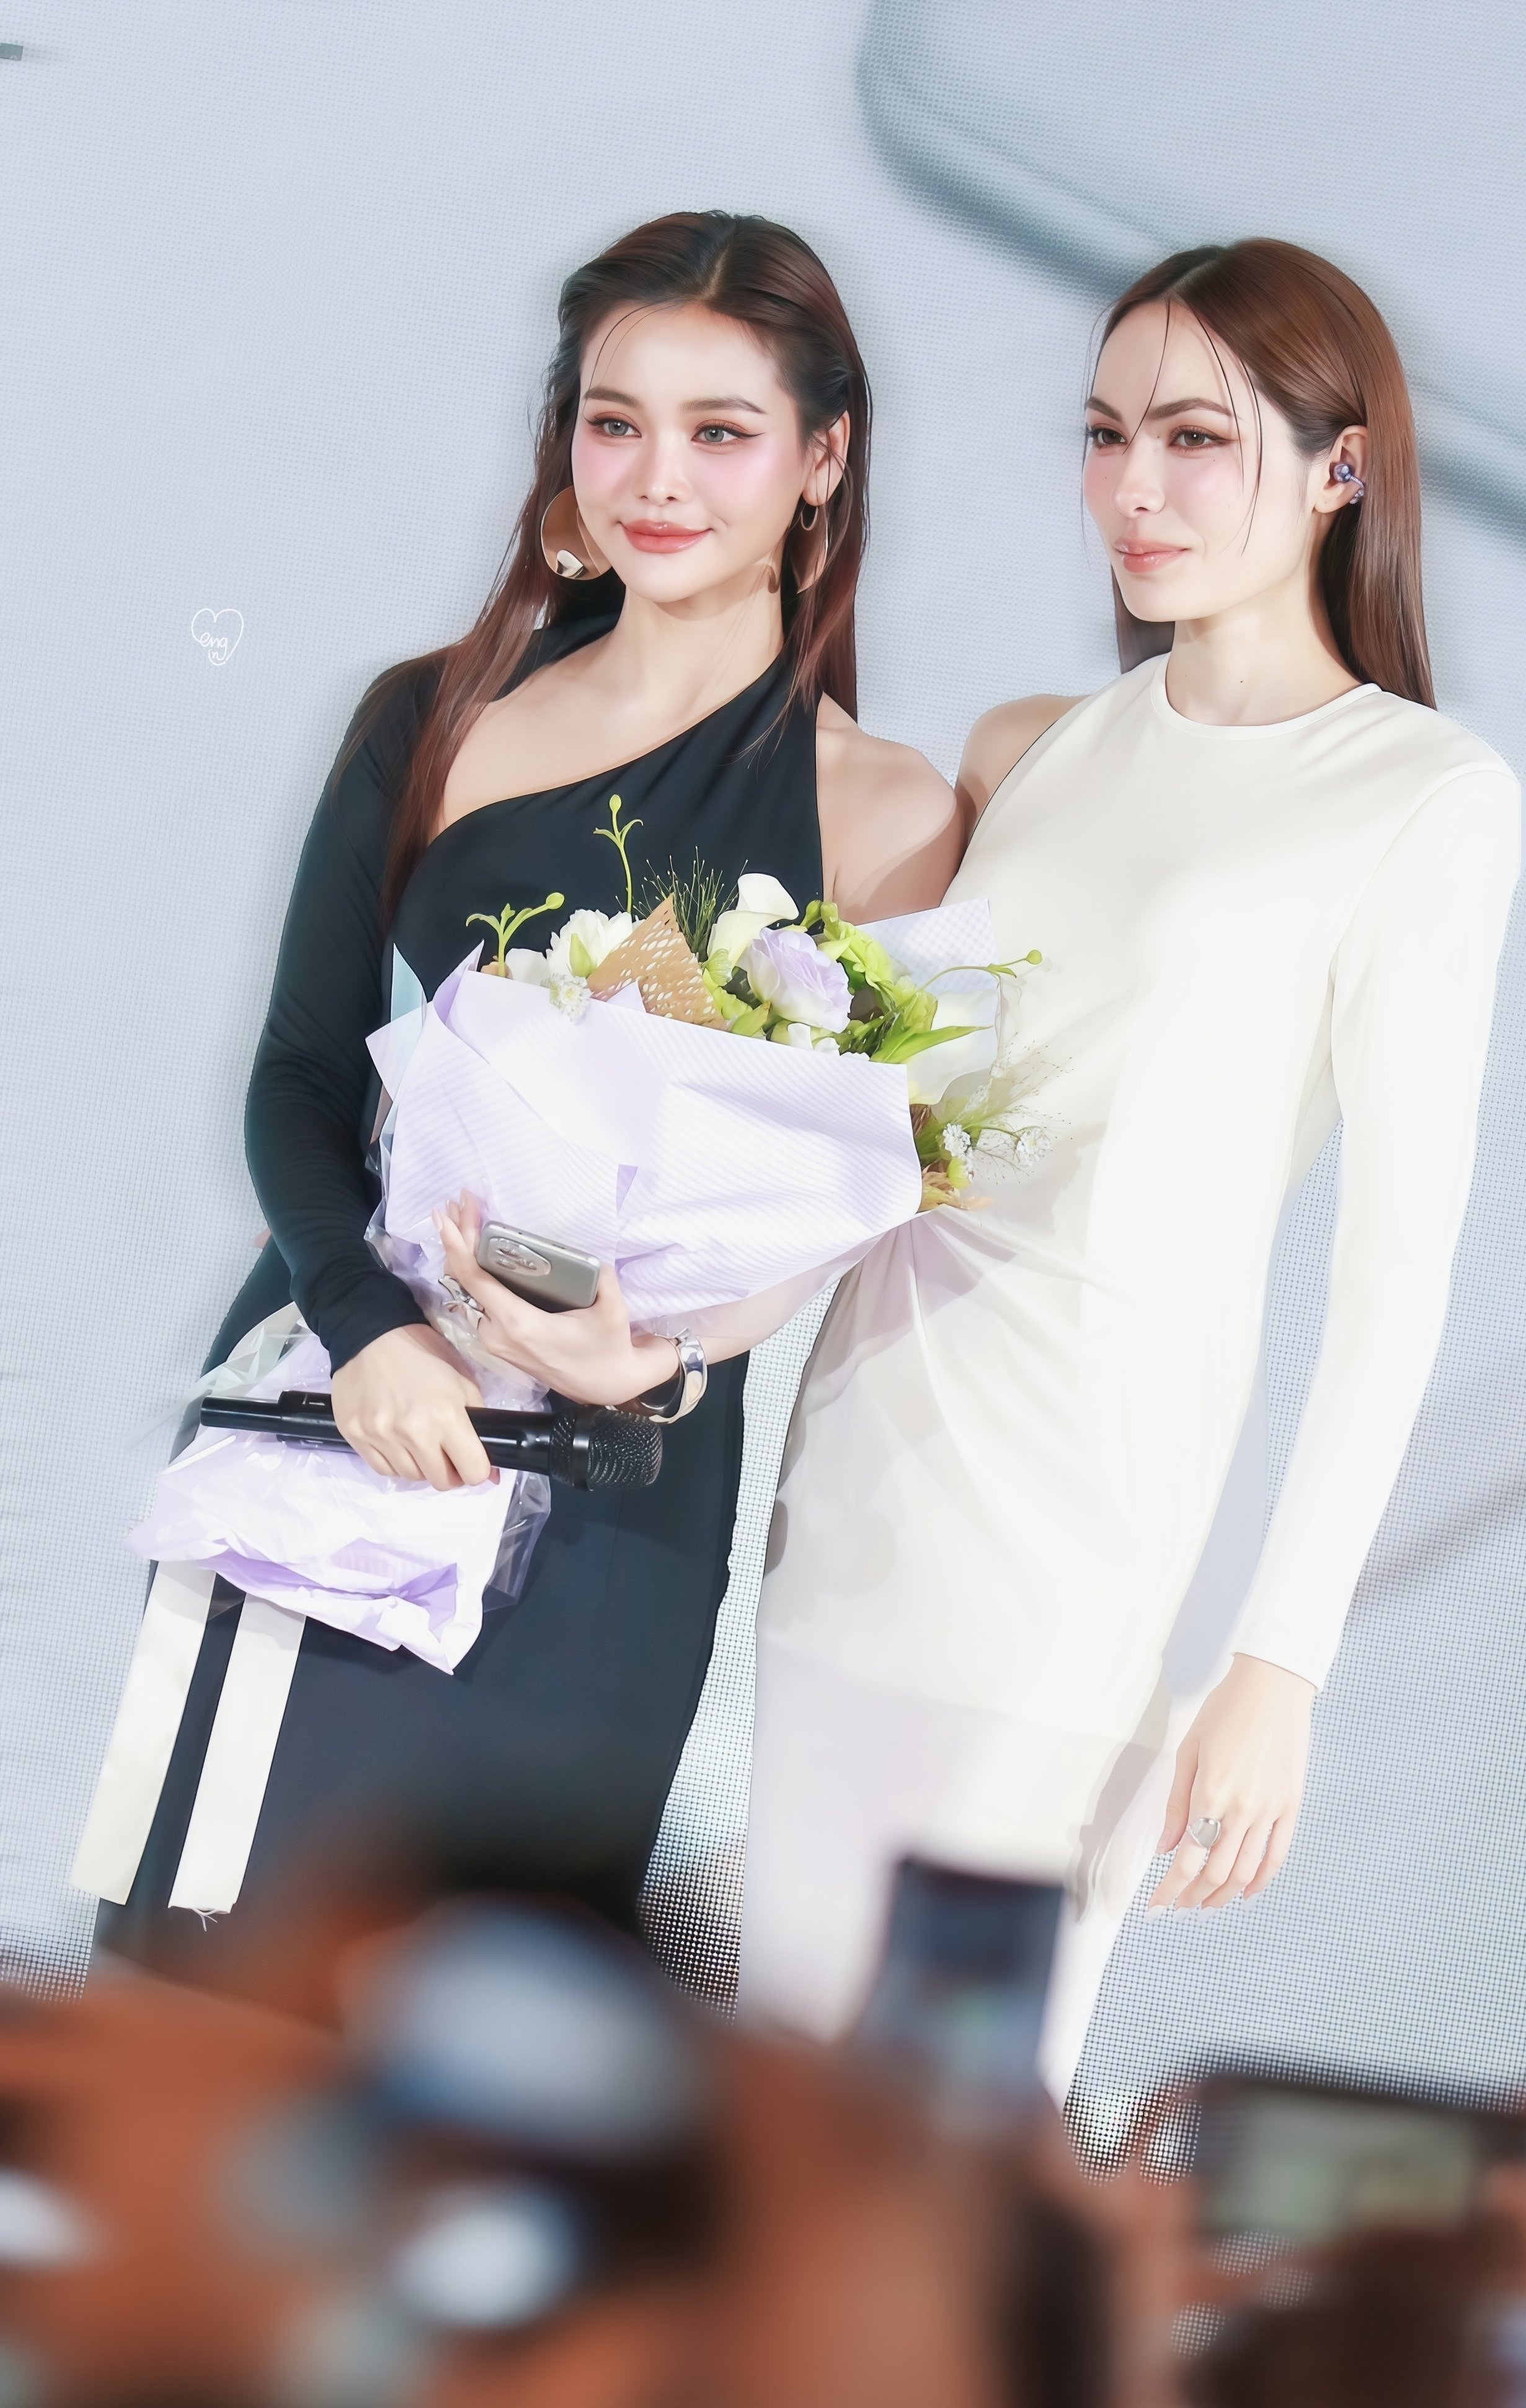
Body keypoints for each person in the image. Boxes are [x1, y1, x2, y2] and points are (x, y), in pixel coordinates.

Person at [87, 210, 960, 1969]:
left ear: (823, 457)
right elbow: (299, 1078)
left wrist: (666, 1357)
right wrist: (370, 1334)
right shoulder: (436, 713)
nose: (658, 477)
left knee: (486, 2033)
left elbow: (855, 1188)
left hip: (619, 1479)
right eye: (614, 421)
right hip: (344, 1414)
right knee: (203, 1993)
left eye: (721, 430)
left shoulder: (888, 813)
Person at [737, 239, 1525, 2100]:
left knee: (944, 2135)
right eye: (1105, 435)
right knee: (778, 2124)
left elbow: (1396, 1280)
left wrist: (1280, 1661)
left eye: (1194, 437)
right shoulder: (1030, 750)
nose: (1134, 490)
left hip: (1088, 1562)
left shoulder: (1419, 796)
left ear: (1341, 469)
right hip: (858, 1495)